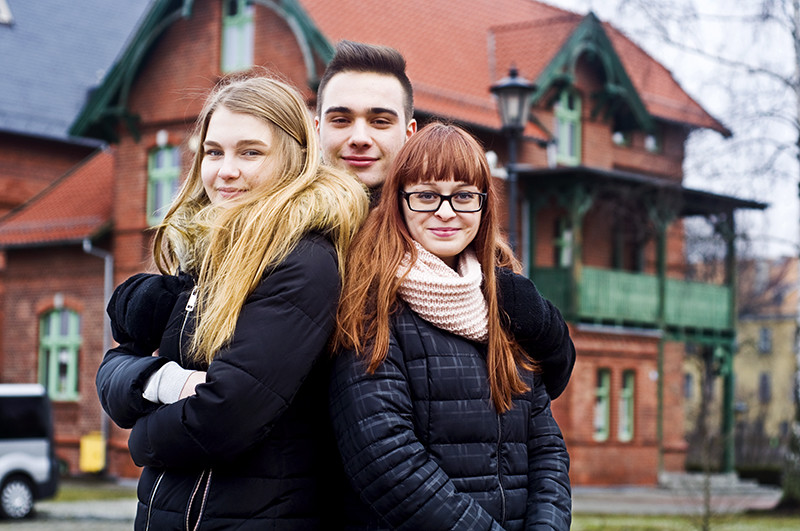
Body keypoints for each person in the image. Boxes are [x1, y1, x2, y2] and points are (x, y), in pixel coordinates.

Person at [95, 75, 369, 529]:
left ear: (296, 157)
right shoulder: (207, 249)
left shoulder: (302, 259)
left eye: (250, 152)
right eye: (213, 151)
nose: (225, 170)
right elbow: (114, 364)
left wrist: (140, 439)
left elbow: (224, 416)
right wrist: (165, 381)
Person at [330, 122, 572, 530]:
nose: (446, 212)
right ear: (399, 202)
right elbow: (386, 460)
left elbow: (546, 446)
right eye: (426, 196)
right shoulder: (368, 302)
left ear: (483, 204)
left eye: (463, 196)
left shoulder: (504, 303)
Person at [316, 40, 575, 399]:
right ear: (318, 129)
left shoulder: (469, 250)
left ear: (408, 134)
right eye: (341, 120)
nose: (360, 138)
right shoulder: (290, 237)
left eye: (379, 121)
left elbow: (547, 380)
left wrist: (541, 322)